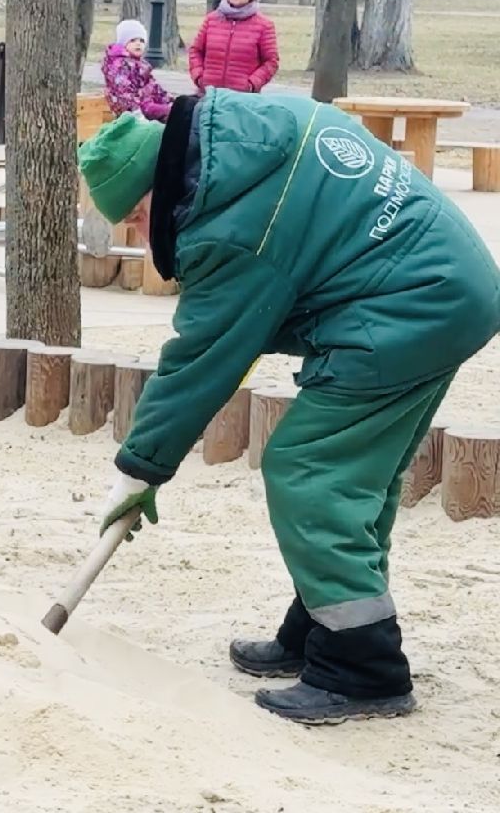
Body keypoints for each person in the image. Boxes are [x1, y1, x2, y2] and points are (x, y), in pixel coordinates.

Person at [78, 90, 500, 724]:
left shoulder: (229, 222)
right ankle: (325, 627)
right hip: (448, 280)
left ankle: (363, 667)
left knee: (308, 470)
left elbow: (202, 355)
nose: (140, 232)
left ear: (154, 188)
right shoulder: (246, 137)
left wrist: (139, 467)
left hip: (408, 303)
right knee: (357, 478)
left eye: (136, 217)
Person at [188, 0, 280, 94]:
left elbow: (271, 61)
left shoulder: (264, 25)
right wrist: (199, 77)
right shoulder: (211, 20)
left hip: (242, 99)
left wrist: (251, 84)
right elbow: (195, 51)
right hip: (209, 95)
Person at [101, 19, 173, 121]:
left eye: (141, 41)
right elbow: (124, 96)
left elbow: (155, 88)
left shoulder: (142, 66)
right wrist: (138, 114)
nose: (138, 44)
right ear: (123, 43)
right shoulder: (119, 66)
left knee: (178, 109)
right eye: (133, 40)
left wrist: (169, 101)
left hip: (147, 107)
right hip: (133, 115)